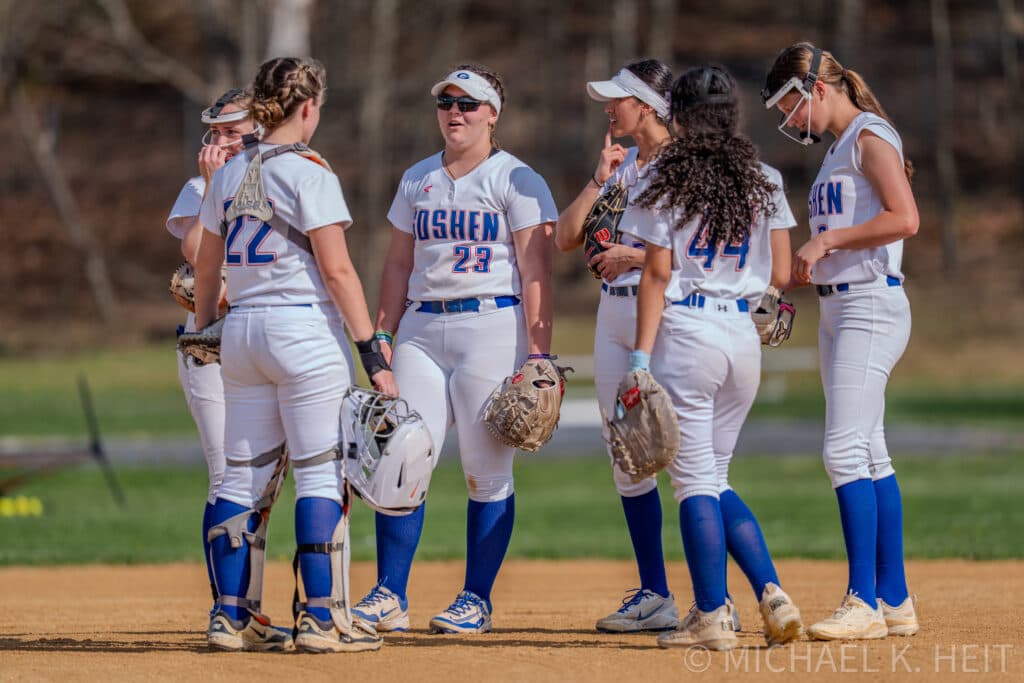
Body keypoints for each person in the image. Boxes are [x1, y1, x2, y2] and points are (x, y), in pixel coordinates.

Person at [194, 56, 396, 653]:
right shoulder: (311, 171)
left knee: (238, 476)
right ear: (308, 107)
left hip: (242, 333)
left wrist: (207, 326)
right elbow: (336, 270)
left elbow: (208, 265)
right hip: (302, 331)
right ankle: (320, 617)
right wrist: (374, 355)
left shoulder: (230, 173)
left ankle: (230, 617)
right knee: (319, 473)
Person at [350, 64, 557, 635]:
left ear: (493, 113)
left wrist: (539, 353)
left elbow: (537, 270)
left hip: (490, 324)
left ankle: (476, 598)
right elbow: (397, 263)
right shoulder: (418, 178)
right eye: (446, 102)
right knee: (401, 459)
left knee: (484, 470)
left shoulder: (517, 179)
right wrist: (382, 336)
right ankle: (390, 593)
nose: (455, 113)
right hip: (421, 328)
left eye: (468, 104)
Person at [628, 65, 803, 650]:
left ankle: (710, 616)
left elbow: (656, 274)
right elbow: (780, 273)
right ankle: (771, 592)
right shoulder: (765, 178)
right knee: (715, 477)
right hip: (742, 337)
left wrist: (639, 359)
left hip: (688, 332)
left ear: (677, 116)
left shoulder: (667, 178)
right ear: (732, 115)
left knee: (694, 484)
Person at [762, 42, 920, 640]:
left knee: (843, 452)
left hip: (870, 307)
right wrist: (813, 267)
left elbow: (905, 218)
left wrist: (825, 245)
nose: (788, 120)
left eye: (789, 105)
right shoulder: (837, 152)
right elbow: (853, 234)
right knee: (870, 452)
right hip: (842, 306)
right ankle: (894, 598)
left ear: (817, 89)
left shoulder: (869, 135)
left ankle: (862, 603)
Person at [554, 59, 687, 633]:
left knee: (688, 461)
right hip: (612, 311)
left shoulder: (685, 165)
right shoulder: (623, 164)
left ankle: (726, 595)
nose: (609, 109)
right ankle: (655, 592)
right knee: (627, 456)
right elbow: (564, 238)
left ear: (649, 106)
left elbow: (714, 254)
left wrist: (636, 256)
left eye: (618, 99)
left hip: (662, 308)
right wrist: (597, 178)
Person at [165, 88, 256, 613]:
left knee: (277, 475)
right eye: (216, 131)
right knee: (226, 473)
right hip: (210, 337)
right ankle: (229, 603)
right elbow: (196, 253)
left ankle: (257, 596)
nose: (220, 140)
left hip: (269, 334)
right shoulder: (200, 184)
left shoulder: (283, 178)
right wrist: (210, 188)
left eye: (231, 130)